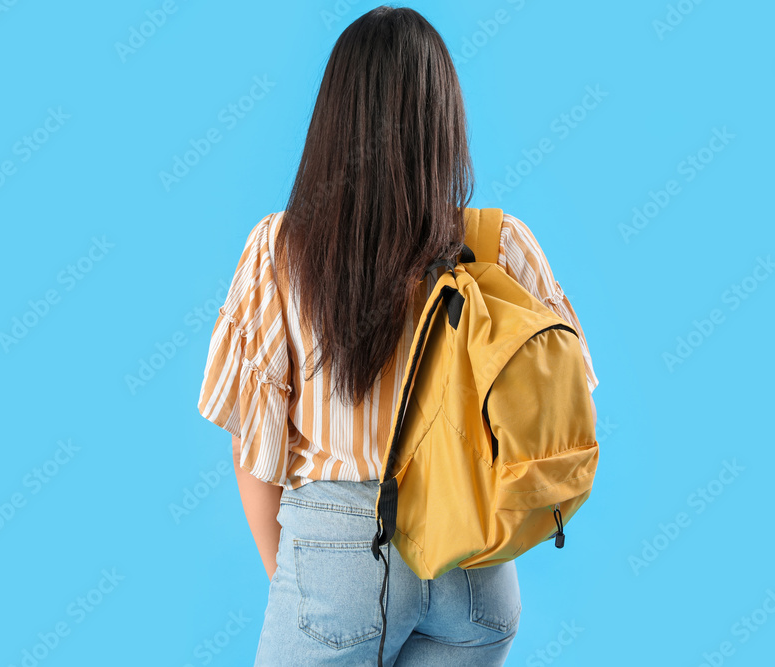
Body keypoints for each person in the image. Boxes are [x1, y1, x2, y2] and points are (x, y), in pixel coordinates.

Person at [196, 6, 598, 665]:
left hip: (339, 554)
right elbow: (567, 394)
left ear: (334, 119)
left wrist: (302, 577)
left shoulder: (280, 249)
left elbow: (254, 447)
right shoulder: (501, 245)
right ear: (445, 123)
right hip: (477, 566)